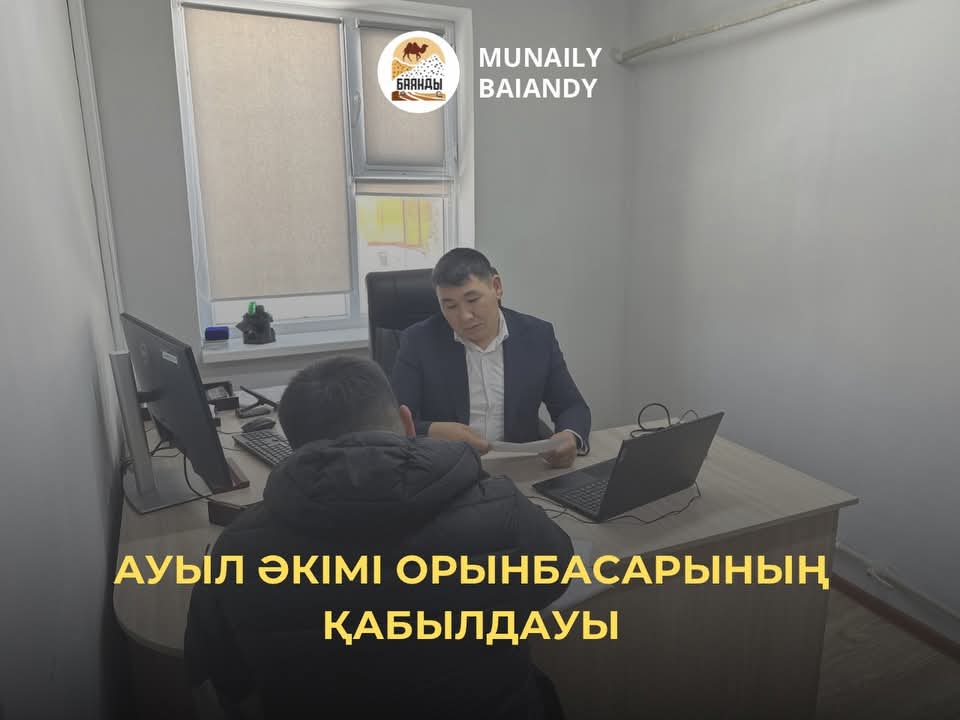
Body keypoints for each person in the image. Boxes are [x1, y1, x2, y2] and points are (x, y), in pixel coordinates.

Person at [184, 356, 574, 719]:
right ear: (407, 422)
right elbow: (554, 579)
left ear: (294, 446)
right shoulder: (502, 509)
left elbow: (223, 673)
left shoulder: (237, 550)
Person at [390, 248, 591, 468]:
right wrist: (434, 431)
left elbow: (572, 406)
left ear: (496, 287)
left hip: (519, 468)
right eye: (450, 306)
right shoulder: (418, 342)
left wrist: (569, 436)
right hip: (446, 469)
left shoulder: (537, 336)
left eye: (472, 299)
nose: (465, 316)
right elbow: (393, 424)